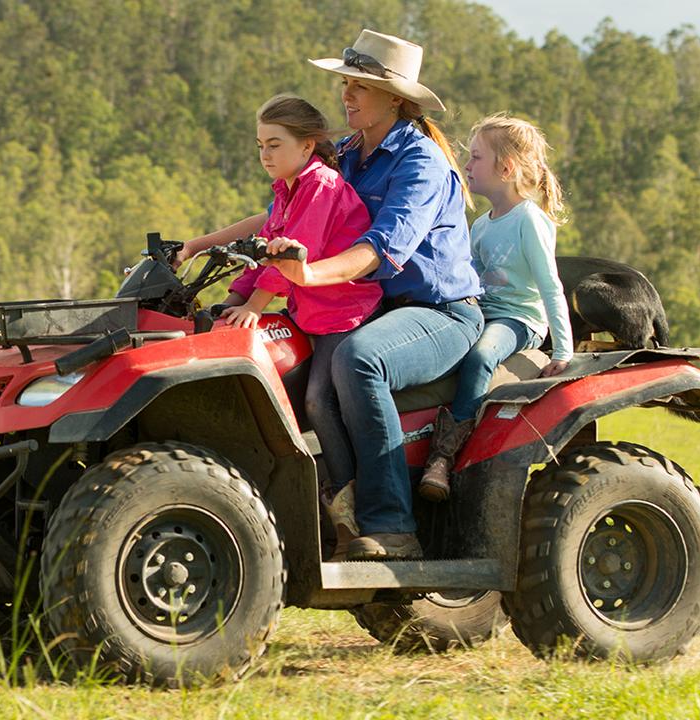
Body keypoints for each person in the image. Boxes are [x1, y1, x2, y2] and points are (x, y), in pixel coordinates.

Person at [263, 30, 482, 560]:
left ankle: (390, 525)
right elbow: (289, 211)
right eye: (346, 83)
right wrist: (203, 244)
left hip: (440, 313)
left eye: (361, 85)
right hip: (374, 308)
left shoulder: (421, 161)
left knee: (361, 361)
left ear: (396, 97)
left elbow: (382, 250)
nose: (347, 94)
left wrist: (309, 276)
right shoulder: (348, 154)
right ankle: (326, 509)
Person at [219, 95, 380, 502]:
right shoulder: (287, 188)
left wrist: (254, 307)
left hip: (343, 315)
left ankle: (346, 497)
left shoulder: (321, 185)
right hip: (310, 313)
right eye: (260, 146)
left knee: (317, 401)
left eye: (275, 144)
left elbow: (292, 258)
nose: (265, 155)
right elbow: (262, 253)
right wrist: (232, 301)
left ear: (307, 145)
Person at [417, 115, 574, 503]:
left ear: (505, 168)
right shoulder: (480, 225)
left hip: (518, 319)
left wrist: (563, 350)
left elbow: (550, 285)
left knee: (482, 355)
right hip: (483, 311)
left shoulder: (529, 220)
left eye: (475, 158)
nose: (467, 166)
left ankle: (445, 457)